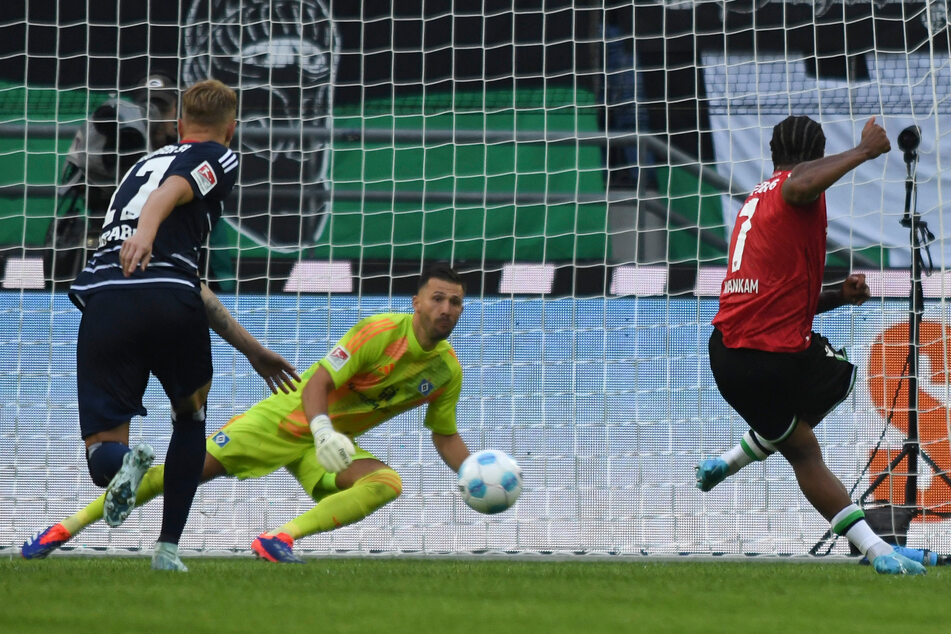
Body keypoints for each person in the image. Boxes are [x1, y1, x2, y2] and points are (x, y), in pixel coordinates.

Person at [23, 264, 472, 564]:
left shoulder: (446, 370)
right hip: (289, 420)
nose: (445, 310)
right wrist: (320, 429)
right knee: (183, 473)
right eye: (437, 299)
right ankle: (63, 530)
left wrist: (473, 471)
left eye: (455, 303)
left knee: (386, 482)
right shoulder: (378, 333)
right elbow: (318, 383)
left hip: (327, 445)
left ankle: (278, 540)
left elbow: (444, 435)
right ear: (416, 302)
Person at [52, 79, 300, 572]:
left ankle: (125, 464)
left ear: (178, 124)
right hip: (166, 298)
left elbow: (186, 272)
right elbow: (173, 191)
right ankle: (167, 549)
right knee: (190, 417)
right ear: (230, 130)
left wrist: (251, 348)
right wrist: (146, 234)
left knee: (103, 454)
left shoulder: (138, 166)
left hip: (105, 300)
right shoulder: (218, 156)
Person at [695, 115, 927, 575]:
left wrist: (839, 296)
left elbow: (783, 305)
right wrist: (863, 151)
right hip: (769, 358)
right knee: (838, 377)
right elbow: (800, 184)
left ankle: (735, 458)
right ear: (817, 157)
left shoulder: (755, 202)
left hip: (727, 353)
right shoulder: (793, 189)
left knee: (800, 446)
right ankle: (878, 551)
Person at [48, 74, 180, 284]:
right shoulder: (109, 138)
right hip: (103, 225)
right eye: (148, 106)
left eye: (162, 108)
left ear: (176, 111)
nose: (154, 116)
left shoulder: (182, 155)